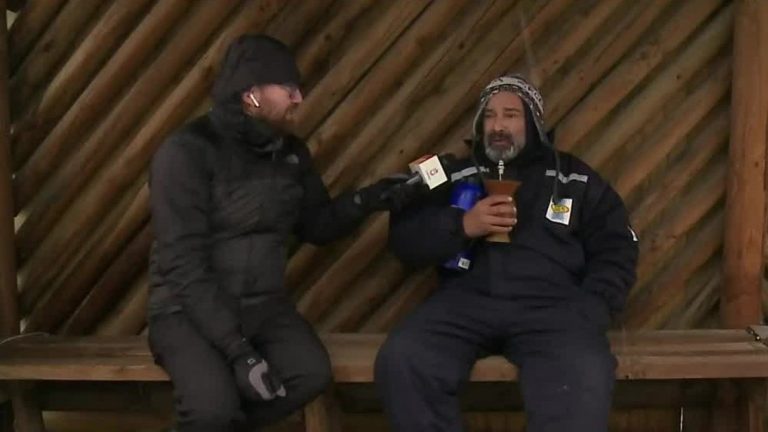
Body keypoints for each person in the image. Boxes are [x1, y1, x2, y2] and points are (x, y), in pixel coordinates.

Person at [147, 34, 415, 432]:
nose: (298, 98)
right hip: (186, 312)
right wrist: (240, 354)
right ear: (251, 93)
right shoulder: (187, 151)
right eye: (288, 88)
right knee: (212, 411)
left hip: (263, 307)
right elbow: (181, 264)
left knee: (310, 373)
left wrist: (371, 199)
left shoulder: (290, 153)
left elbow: (317, 224)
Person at [375, 74, 639, 432]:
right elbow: (405, 242)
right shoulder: (455, 174)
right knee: (404, 358)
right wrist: (463, 226)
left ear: (533, 123)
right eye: (489, 115)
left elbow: (617, 246)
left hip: (552, 307)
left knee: (582, 372)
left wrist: (592, 306)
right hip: (465, 303)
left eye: (511, 115)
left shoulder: (575, 179)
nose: (498, 125)